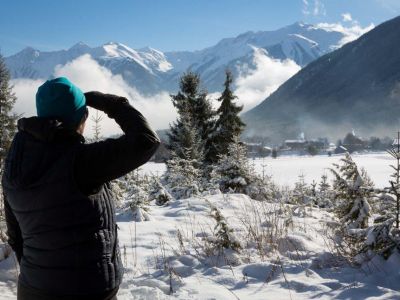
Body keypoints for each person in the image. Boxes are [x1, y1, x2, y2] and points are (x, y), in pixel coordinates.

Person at [1, 77, 160, 300]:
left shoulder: (15, 164)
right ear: (81, 118)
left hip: (32, 289)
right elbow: (146, 141)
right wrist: (111, 103)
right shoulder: (81, 163)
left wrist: (40, 272)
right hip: (86, 290)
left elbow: (16, 236)